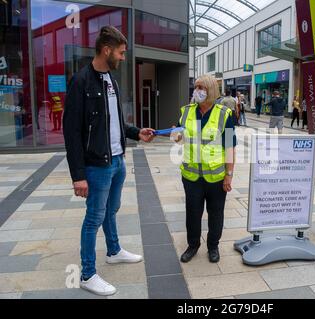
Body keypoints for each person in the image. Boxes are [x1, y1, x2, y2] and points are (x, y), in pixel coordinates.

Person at [63, 26, 155, 296]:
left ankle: (113, 250)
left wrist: (136, 132)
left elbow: (115, 122)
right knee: (94, 218)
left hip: (117, 160)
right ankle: (87, 274)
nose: (123, 57)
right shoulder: (81, 81)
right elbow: (72, 132)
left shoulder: (111, 81)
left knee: (110, 211)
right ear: (107, 50)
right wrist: (77, 175)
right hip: (96, 165)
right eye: (121, 52)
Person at [172, 74, 237, 264]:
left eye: (202, 87)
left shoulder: (224, 114)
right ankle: (193, 245)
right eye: (196, 87)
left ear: (211, 91)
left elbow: (230, 147)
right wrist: (175, 135)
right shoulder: (186, 111)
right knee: (192, 213)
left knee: (216, 213)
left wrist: (229, 175)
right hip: (191, 176)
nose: (197, 91)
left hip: (216, 178)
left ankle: (213, 246)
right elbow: (179, 138)